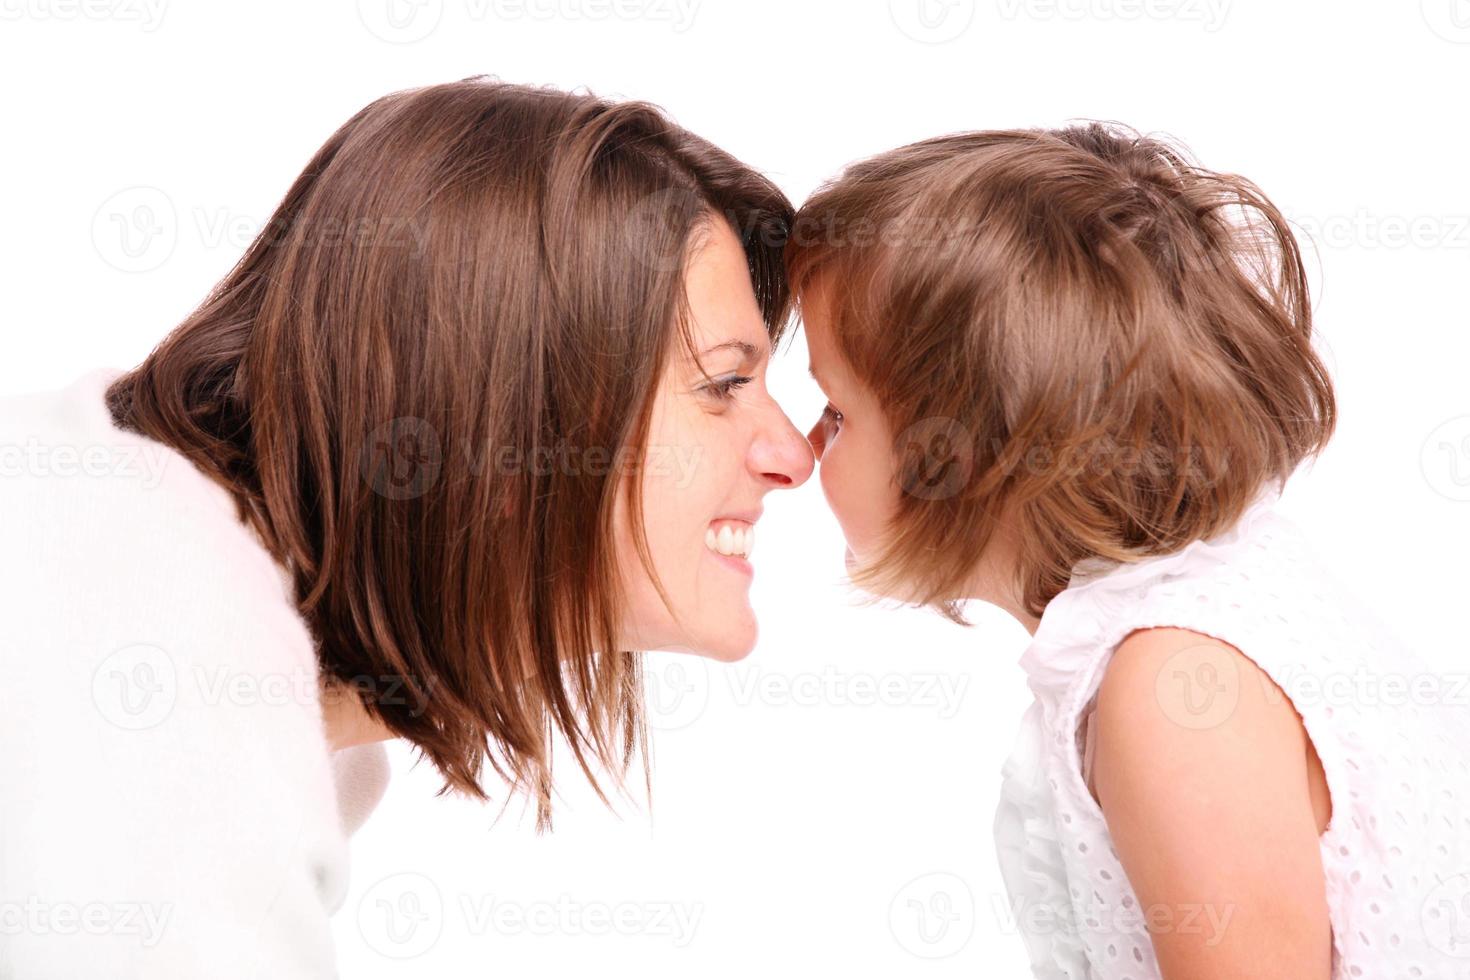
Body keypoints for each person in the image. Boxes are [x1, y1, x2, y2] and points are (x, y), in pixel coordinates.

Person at [0, 76, 812, 976]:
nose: (793, 453)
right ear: (505, 413)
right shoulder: (162, 647)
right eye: (725, 383)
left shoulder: (244, 677)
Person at [787, 122, 1470, 978]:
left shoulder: (1174, 690)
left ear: (956, 458)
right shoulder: (1218, 590)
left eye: (837, 412)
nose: (803, 447)